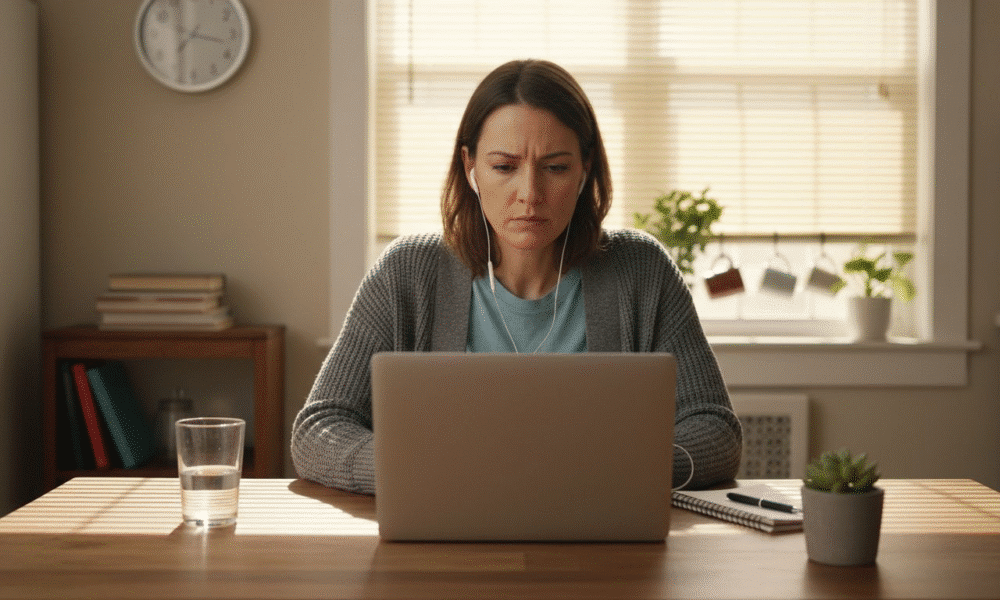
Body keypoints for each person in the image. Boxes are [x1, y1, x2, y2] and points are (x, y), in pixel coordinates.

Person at [292, 59, 742, 494]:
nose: (530, 194)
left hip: (602, 546)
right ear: (471, 168)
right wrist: (417, 469)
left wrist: (612, 471)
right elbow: (318, 428)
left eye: (556, 167)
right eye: (504, 167)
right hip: (443, 539)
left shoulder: (641, 270)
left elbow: (716, 430)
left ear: (585, 169)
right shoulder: (406, 272)